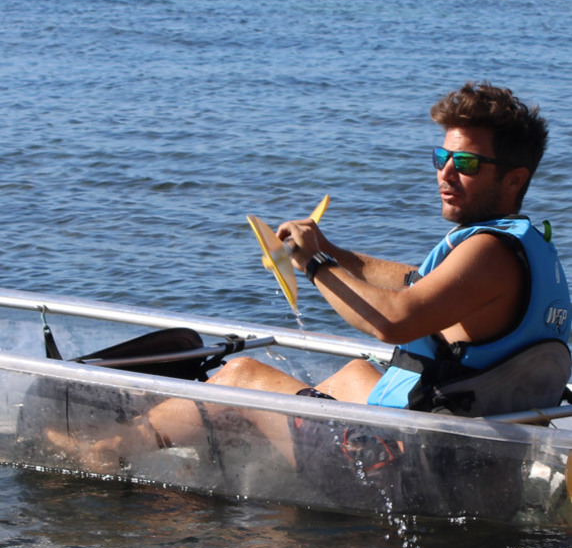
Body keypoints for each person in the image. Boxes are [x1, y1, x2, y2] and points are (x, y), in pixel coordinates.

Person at [46, 82, 572, 482]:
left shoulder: (486, 251)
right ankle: (255, 437)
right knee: (350, 375)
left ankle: (105, 453)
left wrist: (315, 269)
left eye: (466, 162)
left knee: (243, 375)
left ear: (514, 178)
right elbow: (414, 281)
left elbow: (393, 319)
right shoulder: (528, 248)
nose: (445, 173)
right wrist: (331, 250)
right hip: (465, 447)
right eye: (442, 157)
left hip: (400, 466)